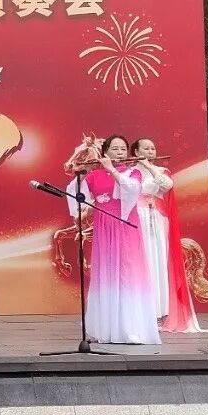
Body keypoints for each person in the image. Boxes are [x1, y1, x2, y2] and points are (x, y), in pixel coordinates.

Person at [66, 134, 160, 345]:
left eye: (123, 149)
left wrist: (112, 170)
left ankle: (129, 328)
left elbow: (132, 189)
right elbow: (76, 194)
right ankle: (104, 329)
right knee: (106, 273)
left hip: (125, 225)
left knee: (127, 273)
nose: (120, 152)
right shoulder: (95, 174)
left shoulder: (133, 172)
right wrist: (79, 173)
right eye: (115, 149)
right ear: (105, 152)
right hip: (104, 227)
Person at [130, 137, 204, 333]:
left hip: (158, 218)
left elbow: (167, 185)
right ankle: (144, 311)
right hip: (139, 218)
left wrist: (150, 167)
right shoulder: (130, 172)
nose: (151, 151)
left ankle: (162, 312)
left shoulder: (161, 171)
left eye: (153, 148)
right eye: (146, 148)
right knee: (144, 262)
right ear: (136, 152)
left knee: (160, 262)